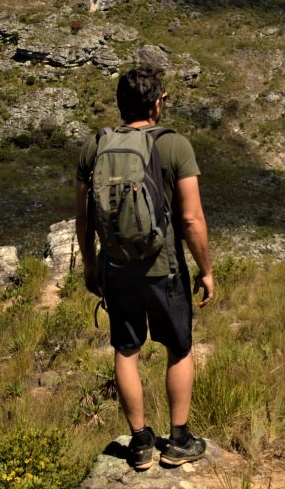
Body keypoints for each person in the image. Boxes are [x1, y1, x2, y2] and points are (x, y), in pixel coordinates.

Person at [76, 65, 215, 469]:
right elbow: (191, 220)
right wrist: (206, 270)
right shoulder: (175, 146)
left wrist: (90, 265)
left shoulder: (95, 146)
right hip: (163, 268)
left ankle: (138, 445)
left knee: (126, 349)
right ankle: (178, 439)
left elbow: (83, 218)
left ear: (121, 105)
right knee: (179, 347)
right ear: (157, 104)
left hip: (115, 266)